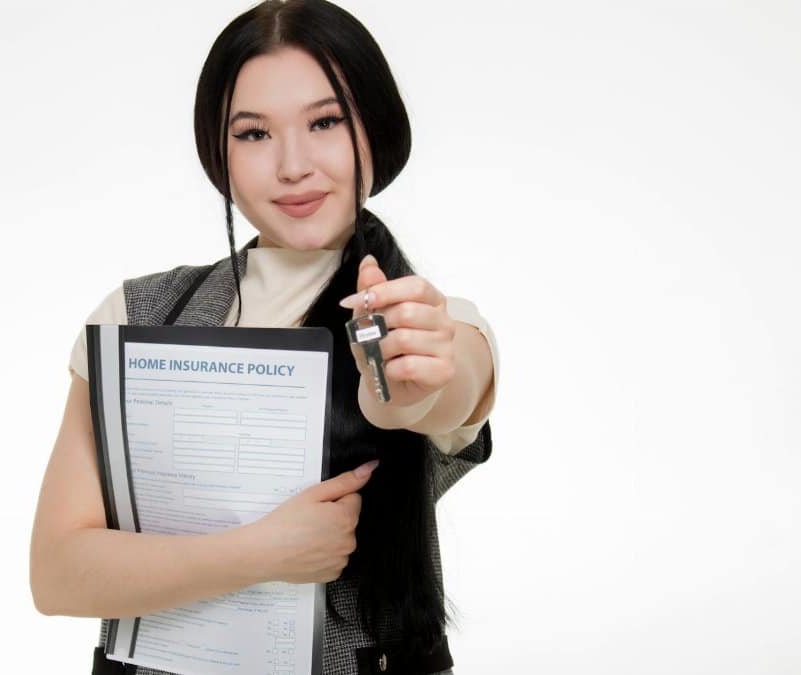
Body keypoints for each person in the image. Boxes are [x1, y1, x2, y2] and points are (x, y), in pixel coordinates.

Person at [30, 1, 500, 673]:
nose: (293, 164)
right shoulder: (136, 317)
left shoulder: (436, 321)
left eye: (326, 122)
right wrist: (263, 551)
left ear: (373, 129)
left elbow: (443, 389)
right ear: (218, 152)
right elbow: (56, 573)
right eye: (254, 134)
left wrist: (410, 385)